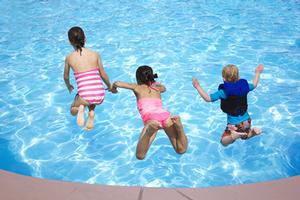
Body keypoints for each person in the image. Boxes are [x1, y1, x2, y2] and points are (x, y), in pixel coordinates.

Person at [112, 65, 188, 160]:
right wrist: (154, 82)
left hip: (152, 119)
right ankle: (179, 127)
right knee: (181, 149)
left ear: (138, 78)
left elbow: (117, 83)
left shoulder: (136, 87)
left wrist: (113, 88)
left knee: (140, 155)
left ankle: (150, 130)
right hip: (166, 116)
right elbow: (164, 88)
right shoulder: (157, 87)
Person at [192, 64, 264, 146]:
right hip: (247, 120)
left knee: (224, 142)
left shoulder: (223, 92)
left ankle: (233, 136)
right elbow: (254, 84)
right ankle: (253, 132)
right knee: (245, 136)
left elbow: (208, 98)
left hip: (234, 124)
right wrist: (258, 72)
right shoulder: (245, 87)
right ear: (238, 77)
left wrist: (197, 86)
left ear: (223, 78)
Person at [64, 26, 116, 130]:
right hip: (100, 94)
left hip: (84, 96)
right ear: (85, 39)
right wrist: (110, 86)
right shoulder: (95, 54)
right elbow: (103, 74)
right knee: (92, 95)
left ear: (70, 42)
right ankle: (91, 112)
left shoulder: (69, 57)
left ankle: (81, 108)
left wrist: (69, 85)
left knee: (73, 108)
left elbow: (65, 76)